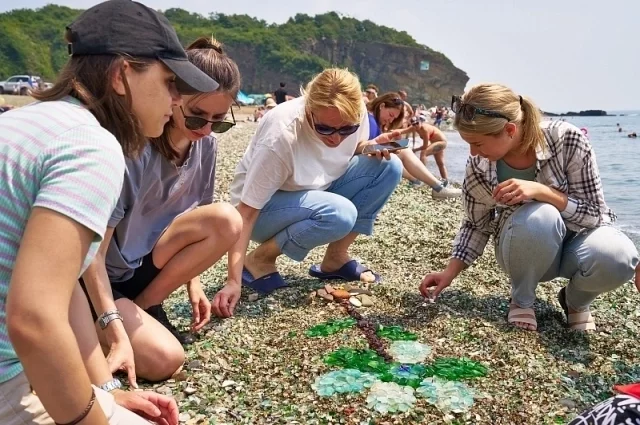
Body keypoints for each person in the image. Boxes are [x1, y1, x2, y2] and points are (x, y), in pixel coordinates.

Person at [0, 0, 218, 423]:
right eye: (170, 82)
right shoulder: (90, 146)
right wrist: (92, 416)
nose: (176, 101)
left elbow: (63, 294)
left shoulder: (30, 122)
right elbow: (34, 321)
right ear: (121, 75)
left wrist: (103, 392)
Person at [80, 37, 242, 384]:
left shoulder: (206, 147)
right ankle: (92, 321)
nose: (207, 129)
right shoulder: (132, 152)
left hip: (147, 266)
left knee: (227, 218)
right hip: (102, 278)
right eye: (198, 118)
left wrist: (192, 284)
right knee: (165, 360)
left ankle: (144, 305)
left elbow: (196, 220)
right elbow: (91, 255)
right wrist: (115, 327)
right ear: (173, 97)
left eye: (218, 121)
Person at [419, 84, 638, 332]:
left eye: (478, 143)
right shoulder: (480, 166)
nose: (472, 152)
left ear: (510, 130)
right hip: (521, 248)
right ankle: (522, 299)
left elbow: (595, 215)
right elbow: (476, 225)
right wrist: (448, 273)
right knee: (540, 216)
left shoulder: (566, 139)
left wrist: (543, 192)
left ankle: (575, 302)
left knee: (620, 256)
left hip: (578, 247)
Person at [211, 68, 403, 313]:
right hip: (265, 210)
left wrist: (368, 147)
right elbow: (246, 212)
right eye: (325, 129)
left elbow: (346, 150)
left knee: (389, 167)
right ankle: (259, 259)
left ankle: (335, 259)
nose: (336, 139)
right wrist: (233, 281)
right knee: (340, 213)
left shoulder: (357, 116)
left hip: (318, 188)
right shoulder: (282, 134)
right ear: (309, 110)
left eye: (346, 130)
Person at [366, 93, 461, 199]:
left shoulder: (373, 120)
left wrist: (390, 142)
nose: (391, 120)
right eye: (391, 115)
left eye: (394, 118)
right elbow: (364, 147)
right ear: (382, 106)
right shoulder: (369, 120)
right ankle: (435, 186)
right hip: (363, 162)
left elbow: (370, 144)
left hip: (441, 142)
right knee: (407, 152)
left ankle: (424, 181)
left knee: (437, 162)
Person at [402, 102, 456, 187]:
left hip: (441, 142)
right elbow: (402, 131)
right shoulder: (414, 127)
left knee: (423, 153)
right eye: (414, 124)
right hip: (436, 142)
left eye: (417, 123)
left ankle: (421, 177)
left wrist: (414, 150)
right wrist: (391, 133)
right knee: (440, 163)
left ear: (420, 122)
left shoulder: (424, 129)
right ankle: (446, 182)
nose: (416, 126)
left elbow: (425, 146)